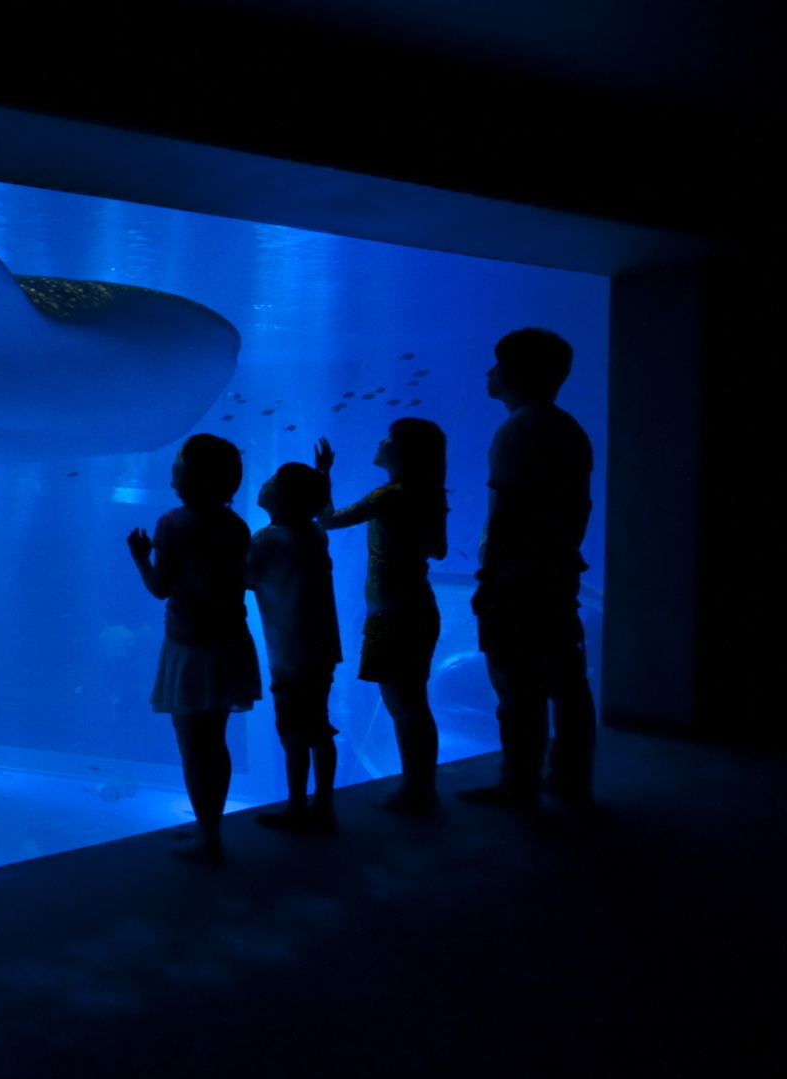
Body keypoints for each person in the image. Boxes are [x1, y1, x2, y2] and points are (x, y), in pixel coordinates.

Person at [459, 328, 597, 811]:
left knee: (517, 687)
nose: (488, 372)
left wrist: (488, 577)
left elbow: (508, 512)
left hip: (517, 582)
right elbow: (580, 507)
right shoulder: (567, 427)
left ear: (517, 372)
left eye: (496, 363)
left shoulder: (518, 429)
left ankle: (518, 783)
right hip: (557, 574)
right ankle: (568, 778)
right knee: (566, 684)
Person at [127, 433, 262, 865]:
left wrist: (140, 558)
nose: (171, 481)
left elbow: (160, 588)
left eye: (176, 471)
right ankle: (211, 827)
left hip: (189, 647)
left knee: (192, 746)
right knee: (215, 743)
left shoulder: (173, 523)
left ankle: (209, 839)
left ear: (192, 477)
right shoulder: (236, 524)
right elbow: (242, 580)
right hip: (229, 644)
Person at [318, 419, 451, 812]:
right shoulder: (431, 495)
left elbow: (328, 520)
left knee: (402, 705)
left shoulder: (388, 496)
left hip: (391, 612)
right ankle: (421, 785)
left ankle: (416, 790)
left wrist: (324, 473)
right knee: (415, 703)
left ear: (406, 452)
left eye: (390, 438)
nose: (381, 440)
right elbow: (439, 550)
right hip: (421, 606)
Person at [248, 458, 344, 833]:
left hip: (289, 651)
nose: (264, 483)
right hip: (321, 647)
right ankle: (323, 804)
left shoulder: (268, 539)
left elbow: (243, 577)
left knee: (292, 730)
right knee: (318, 725)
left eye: (272, 480)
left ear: (284, 498)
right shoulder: (314, 533)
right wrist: (324, 477)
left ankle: (296, 806)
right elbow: (323, 512)